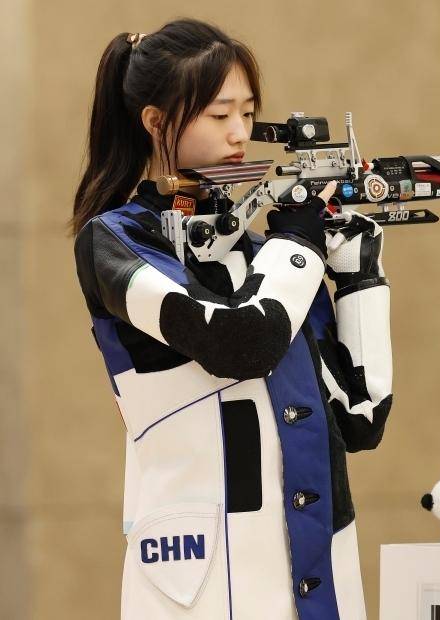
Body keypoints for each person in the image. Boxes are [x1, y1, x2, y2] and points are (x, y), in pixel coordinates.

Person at [71, 18, 392, 619]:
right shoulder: (113, 242)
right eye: (220, 116)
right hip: (199, 571)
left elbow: (361, 420)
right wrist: (299, 245)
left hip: (320, 566)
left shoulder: (259, 254)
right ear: (156, 121)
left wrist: (359, 276)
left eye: (248, 113)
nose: (240, 133)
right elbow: (239, 345)